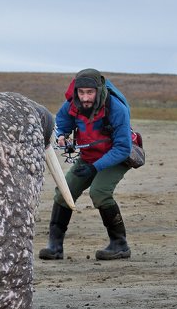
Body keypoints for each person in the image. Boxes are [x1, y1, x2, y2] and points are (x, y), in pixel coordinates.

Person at [39, 68, 133, 261]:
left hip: (116, 158)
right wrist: (63, 136)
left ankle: (120, 245)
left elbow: (123, 148)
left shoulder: (117, 109)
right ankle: (55, 247)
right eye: (81, 92)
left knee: (99, 192)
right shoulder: (71, 104)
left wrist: (95, 167)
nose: (85, 97)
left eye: (90, 92)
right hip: (89, 156)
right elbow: (62, 122)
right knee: (63, 193)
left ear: (99, 90)